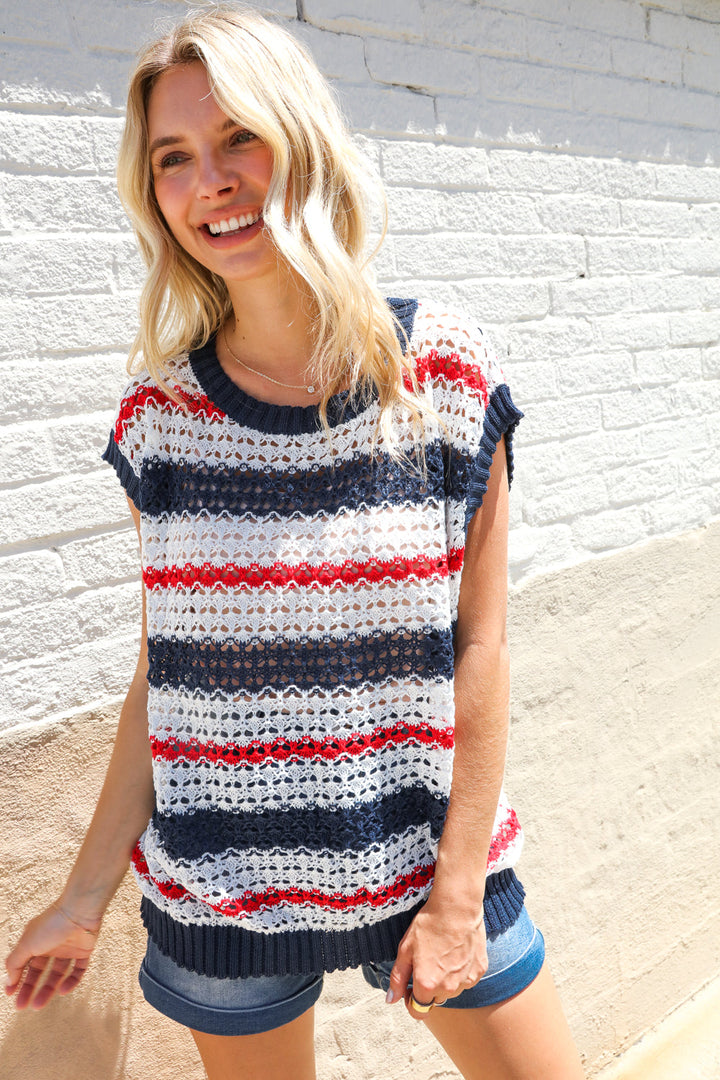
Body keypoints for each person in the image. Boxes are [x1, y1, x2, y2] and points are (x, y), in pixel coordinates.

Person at [4, 7, 585, 1079]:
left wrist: (460, 896)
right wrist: (83, 898)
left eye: (240, 137)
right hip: (224, 891)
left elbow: (482, 644)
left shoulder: (442, 374)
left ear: (303, 141)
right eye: (174, 157)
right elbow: (167, 674)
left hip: (430, 862)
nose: (210, 181)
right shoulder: (160, 419)